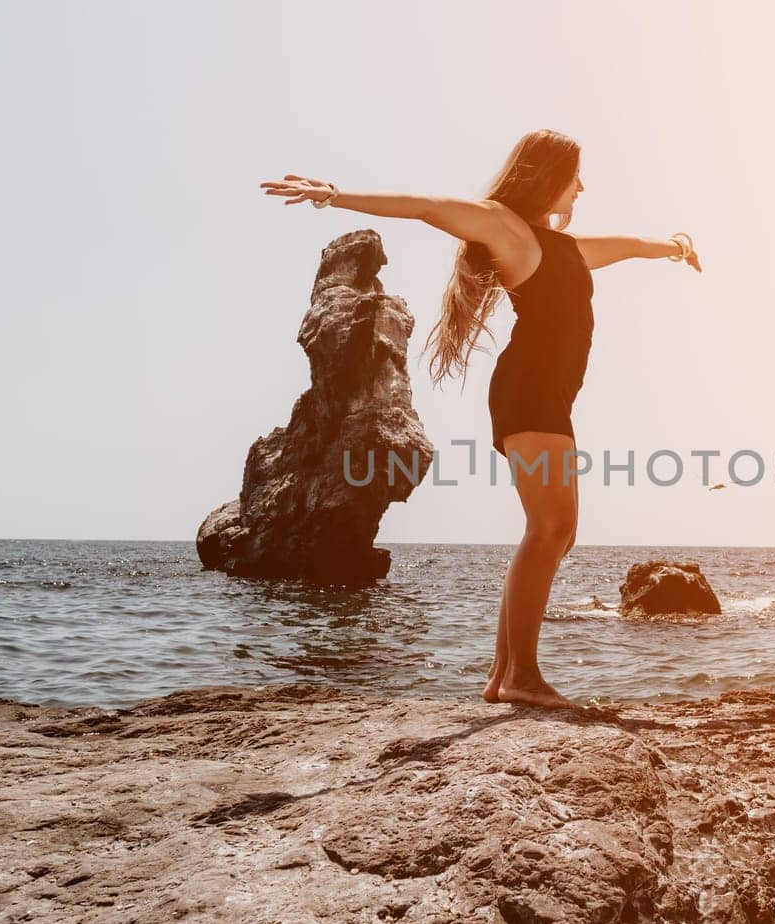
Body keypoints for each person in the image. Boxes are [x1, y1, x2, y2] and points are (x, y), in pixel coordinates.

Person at [259, 128, 702, 710]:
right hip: (530, 393)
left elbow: (627, 245)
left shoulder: (561, 246)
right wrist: (335, 195)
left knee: (558, 534)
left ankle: (503, 676)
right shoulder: (507, 229)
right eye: (575, 176)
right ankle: (522, 676)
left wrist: (673, 245)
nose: (583, 187)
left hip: (549, 397)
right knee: (549, 531)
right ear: (548, 175)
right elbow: (424, 208)